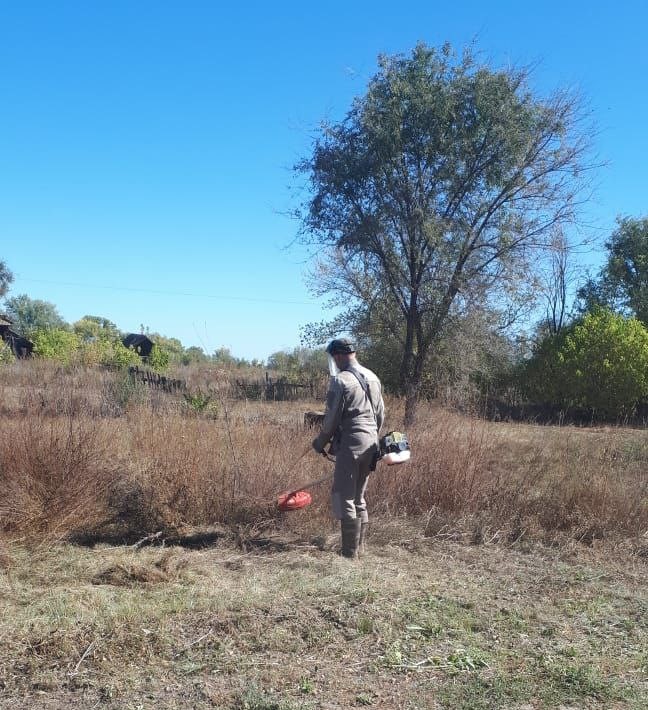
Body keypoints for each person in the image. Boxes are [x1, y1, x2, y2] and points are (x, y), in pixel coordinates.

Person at [312, 338, 385, 559]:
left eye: (333, 357)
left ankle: (349, 555)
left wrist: (320, 442)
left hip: (351, 444)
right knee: (359, 497)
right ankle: (360, 549)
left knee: (344, 497)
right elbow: (380, 414)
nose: (333, 361)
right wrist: (372, 437)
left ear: (339, 355)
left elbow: (331, 419)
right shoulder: (373, 377)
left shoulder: (340, 381)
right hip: (372, 443)